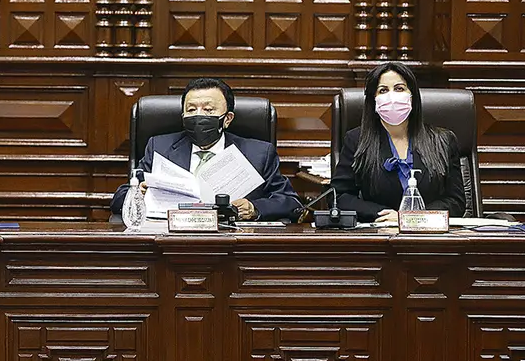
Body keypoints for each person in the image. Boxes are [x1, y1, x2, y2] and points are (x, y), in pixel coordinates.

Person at [110, 78, 300, 220]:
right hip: (172, 241)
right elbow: (118, 199)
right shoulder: (160, 147)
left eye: (209, 110)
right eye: (191, 110)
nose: (199, 116)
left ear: (227, 119)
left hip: (234, 244)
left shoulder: (258, 153)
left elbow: (290, 203)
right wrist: (138, 194)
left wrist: (254, 208)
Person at [330, 62, 465, 223]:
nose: (391, 96)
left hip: (430, 237)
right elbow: (339, 197)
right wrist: (381, 214)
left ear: (412, 96)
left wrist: (411, 217)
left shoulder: (443, 140)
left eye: (399, 88)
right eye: (383, 90)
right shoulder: (356, 140)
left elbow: (456, 201)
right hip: (379, 236)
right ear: (373, 100)